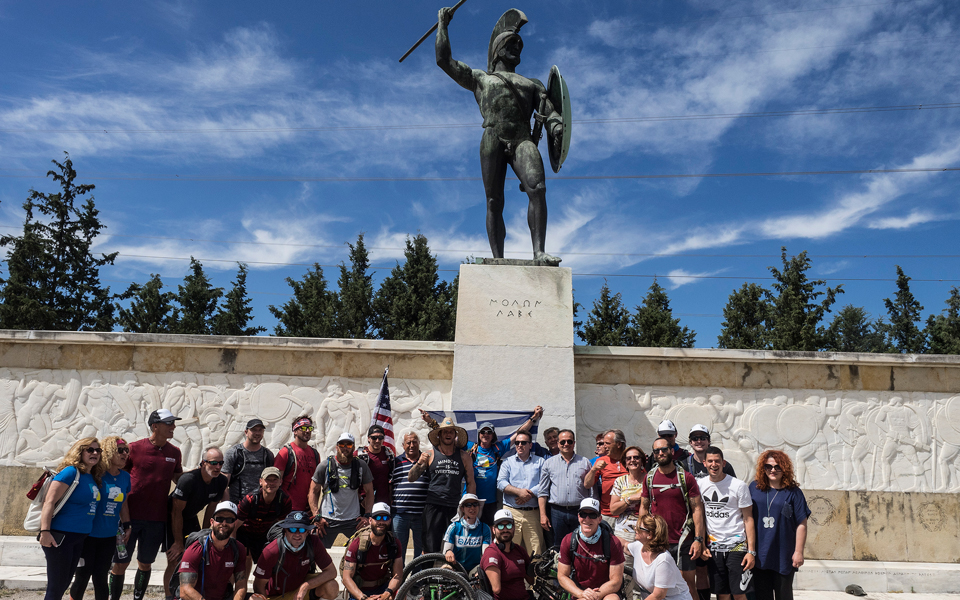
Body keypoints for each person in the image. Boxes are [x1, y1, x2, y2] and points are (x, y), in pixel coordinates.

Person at [435, 6, 564, 264]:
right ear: (497, 48)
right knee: (494, 201)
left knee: (537, 189)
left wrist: (556, 127)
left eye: (520, 43)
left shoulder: (533, 84)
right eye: (512, 42)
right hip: (492, 137)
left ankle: (539, 252)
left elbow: (551, 113)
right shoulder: (481, 79)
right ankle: (498, 259)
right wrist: (443, 25)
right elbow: (444, 61)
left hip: (522, 140)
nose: (517, 46)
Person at [111, 409, 183, 600]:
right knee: (120, 563)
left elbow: (179, 479)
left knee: (145, 563)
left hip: (156, 519)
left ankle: (138, 598)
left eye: (173, 423)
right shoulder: (134, 448)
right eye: (169, 423)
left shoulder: (175, 452)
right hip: (128, 517)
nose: (173, 427)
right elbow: (119, 473)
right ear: (154, 426)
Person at [640, 437, 706, 600]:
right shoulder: (649, 478)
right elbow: (643, 507)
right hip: (658, 541)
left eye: (664, 449)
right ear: (653, 454)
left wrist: (698, 539)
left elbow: (697, 508)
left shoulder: (686, 477)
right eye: (657, 451)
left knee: (688, 585)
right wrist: (642, 534)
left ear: (671, 451)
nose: (660, 453)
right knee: (659, 587)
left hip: (683, 541)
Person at [39, 437, 105, 600]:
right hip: (61, 536)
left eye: (98, 450)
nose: (95, 453)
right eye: (90, 450)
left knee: (65, 582)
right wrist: (45, 531)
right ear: (79, 451)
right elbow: (49, 501)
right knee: (56, 586)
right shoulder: (70, 472)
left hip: (79, 537)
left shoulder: (92, 476)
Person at [70, 436, 131, 600]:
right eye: (120, 450)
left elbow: (123, 503)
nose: (125, 454)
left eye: (127, 450)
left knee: (101, 577)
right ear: (110, 451)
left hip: (109, 535)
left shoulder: (125, 477)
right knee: (82, 576)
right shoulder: (96, 475)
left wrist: (127, 525)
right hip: (88, 534)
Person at [164, 446, 229, 596]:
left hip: (190, 517)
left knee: (198, 555)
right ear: (203, 463)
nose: (217, 467)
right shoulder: (188, 480)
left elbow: (211, 509)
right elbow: (176, 512)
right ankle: (169, 596)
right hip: (171, 517)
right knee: (175, 559)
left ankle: (189, 594)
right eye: (213, 463)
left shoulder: (221, 481)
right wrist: (178, 542)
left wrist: (206, 534)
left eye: (221, 463)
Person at [407, 416, 476, 554]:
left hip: (454, 508)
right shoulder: (430, 454)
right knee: (429, 547)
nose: (448, 434)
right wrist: (420, 463)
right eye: (445, 431)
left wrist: (470, 506)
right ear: (439, 435)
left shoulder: (464, 457)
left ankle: (449, 575)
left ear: (455, 435)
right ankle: (427, 575)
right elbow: (411, 477)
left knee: (452, 548)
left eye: (451, 431)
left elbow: (471, 483)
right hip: (433, 506)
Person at [750, 450, 810, 600]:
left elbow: (801, 524)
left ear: (785, 469)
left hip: (783, 554)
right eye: (768, 466)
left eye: (778, 467)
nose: (773, 470)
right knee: (762, 595)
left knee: (784, 595)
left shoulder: (793, 492)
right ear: (762, 469)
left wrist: (798, 552)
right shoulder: (754, 488)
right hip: (760, 554)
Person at [466, 408, 541, 527]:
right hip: (470, 499)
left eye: (489, 432)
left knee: (490, 531)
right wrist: (431, 422)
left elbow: (518, 434)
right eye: (483, 432)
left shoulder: (497, 448)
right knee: (469, 529)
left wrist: (533, 418)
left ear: (493, 435)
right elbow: (450, 434)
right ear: (479, 434)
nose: (486, 434)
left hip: (489, 501)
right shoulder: (470, 447)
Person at [701, 447, 756, 600]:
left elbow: (748, 519)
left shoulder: (738, 486)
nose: (714, 464)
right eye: (710, 461)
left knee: (739, 593)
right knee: (722, 594)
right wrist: (702, 544)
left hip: (737, 547)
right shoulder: (700, 485)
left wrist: (751, 551)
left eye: (717, 461)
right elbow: (700, 518)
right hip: (714, 548)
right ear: (704, 463)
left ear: (723, 463)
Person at [252, 511, 339, 600]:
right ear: (285, 530)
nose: (297, 534)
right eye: (292, 529)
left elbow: (331, 572)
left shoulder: (313, 542)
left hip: (301, 592)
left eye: (302, 529)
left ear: (307, 532)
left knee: (332, 586)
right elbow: (258, 586)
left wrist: (305, 586)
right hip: (277, 596)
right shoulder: (272, 551)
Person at [309, 432, 374, 548]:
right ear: (336, 447)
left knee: (363, 550)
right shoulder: (324, 465)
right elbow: (313, 491)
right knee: (318, 552)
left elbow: (370, 491)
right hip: (327, 520)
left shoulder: (361, 466)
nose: (345, 448)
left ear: (353, 448)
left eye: (348, 445)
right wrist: (316, 516)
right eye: (341, 445)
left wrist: (367, 515)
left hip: (353, 520)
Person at [177, 501, 249, 600]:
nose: (224, 523)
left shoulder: (238, 548)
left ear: (235, 523)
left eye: (229, 520)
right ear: (212, 522)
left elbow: (241, 584)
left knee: (258, 598)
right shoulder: (197, 547)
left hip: (223, 597)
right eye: (219, 519)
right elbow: (184, 590)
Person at [557, 498, 624, 600]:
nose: (587, 519)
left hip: (605, 591)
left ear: (600, 519)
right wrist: (580, 593)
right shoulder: (568, 540)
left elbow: (616, 581)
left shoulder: (612, 542)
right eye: (583, 514)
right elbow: (562, 576)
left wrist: (596, 595)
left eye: (592, 515)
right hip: (580, 592)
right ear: (579, 517)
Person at [537, 429, 592, 550]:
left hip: (580, 511)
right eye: (562, 442)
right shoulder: (549, 463)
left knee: (582, 544)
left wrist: (593, 512)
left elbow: (592, 491)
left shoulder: (585, 462)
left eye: (569, 441)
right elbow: (543, 492)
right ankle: (561, 569)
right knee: (559, 546)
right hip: (557, 513)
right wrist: (543, 515)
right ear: (557, 443)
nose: (566, 444)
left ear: (574, 443)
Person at [341, 503, 404, 600]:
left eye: (385, 518)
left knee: (401, 594)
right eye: (377, 518)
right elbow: (346, 578)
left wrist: (386, 594)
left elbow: (398, 575)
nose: (381, 522)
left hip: (383, 589)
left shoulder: (394, 543)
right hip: (360, 591)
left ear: (390, 520)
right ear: (370, 520)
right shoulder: (357, 543)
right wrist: (363, 598)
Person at [497, 430, 544, 556]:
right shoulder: (507, 462)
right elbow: (500, 483)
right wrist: (519, 492)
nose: (519, 445)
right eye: (517, 442)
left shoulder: (540, 462)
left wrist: (529, 494)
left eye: (523, 442)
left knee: (536, 552)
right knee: (508, 549)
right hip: (511, 512)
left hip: (533, 513)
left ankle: (534, 576)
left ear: (530, 445)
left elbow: (545, 483)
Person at [627, 514, 693, 600]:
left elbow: (658, 595)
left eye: (639, 527)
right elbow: (623, 545)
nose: (635, 529)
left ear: (649, 535)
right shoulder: (639, 546)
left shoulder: (663, 560)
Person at [236, 467, 293, 562]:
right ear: (261, 482)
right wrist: (233, 545)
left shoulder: (284, 500)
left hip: (265, 533)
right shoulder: (250, 499)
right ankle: (244, 577)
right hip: (244, 532)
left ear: (280, 482)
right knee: (245, 557)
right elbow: (235, 526)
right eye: (268, 480)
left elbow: (282, 525)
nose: (271, 483)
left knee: (268, 558)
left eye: (275, 480)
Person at [390, 431, 429, 556]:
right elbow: (390, 485)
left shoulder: (427, 461)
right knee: (398, 549)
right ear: (403, 445)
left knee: (421, 549)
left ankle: (417, 575)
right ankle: (399, 575)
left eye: (414, 442)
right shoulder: (395, 462)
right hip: (400, 514)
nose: (411, 445)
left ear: (419, 443)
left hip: (421, 514)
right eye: (408, 442)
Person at [481, 510, 533, 600]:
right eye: (500, 526)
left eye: (509, 525)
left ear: (514, 528)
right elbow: (496, 589)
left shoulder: (520, 550)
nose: (505, 530)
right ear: (493, 529)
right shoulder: (492, 553)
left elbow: (531, 581)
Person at [274, 415, 320, 513]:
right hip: (288, 509)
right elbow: (276, 481)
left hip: (309, 509)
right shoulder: (285, 452)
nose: (307, 431)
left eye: (310, 428)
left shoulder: (315, 454)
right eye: (303, 428)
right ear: (295, 431)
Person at [223, 418, 275, 505]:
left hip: (259, 505)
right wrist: (227, 507)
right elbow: (224, 484)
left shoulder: (268, 455)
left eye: (260, 430)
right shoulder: (233, 453)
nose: (257, 433)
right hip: (236, 504)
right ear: (246, 432)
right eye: (253, 430)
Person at [584, 429, 627, 529]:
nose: (604, 446)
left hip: (628, 514)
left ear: (619, 444)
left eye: (607, 443)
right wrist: (594, 469)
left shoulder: (631, 459)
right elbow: (587, 484)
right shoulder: (601, 460)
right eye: (603, 443)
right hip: (607, 514)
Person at [609, 446, 646, 554]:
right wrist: (630, 499)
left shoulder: (649, 479)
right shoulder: (620, 481)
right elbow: (613, 509)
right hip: (624, 534)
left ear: (642, 461)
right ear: (625, 462)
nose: (632, 460)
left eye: (636, 457)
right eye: (628, 458)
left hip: (646, 532)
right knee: (625, 569)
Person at [442, 493, 492, 573]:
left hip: (475, 568)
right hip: (456, 567)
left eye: (475, 504)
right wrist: (448, 551)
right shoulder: (454, 527)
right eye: (468, 505)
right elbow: (446, 550)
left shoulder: (484, 528)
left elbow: (485, 553)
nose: (472, 508)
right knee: (445, 568)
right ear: (462, 508)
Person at [356, 425, 395, 506]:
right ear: (368, 438)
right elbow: (351, 479)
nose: (377, 441)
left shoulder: (388, 454)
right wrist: (360, 499)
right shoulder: (359, 455)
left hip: (383, 503)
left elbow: (391, 478)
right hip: (363, 504)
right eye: (374, 438)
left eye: (380, 438)